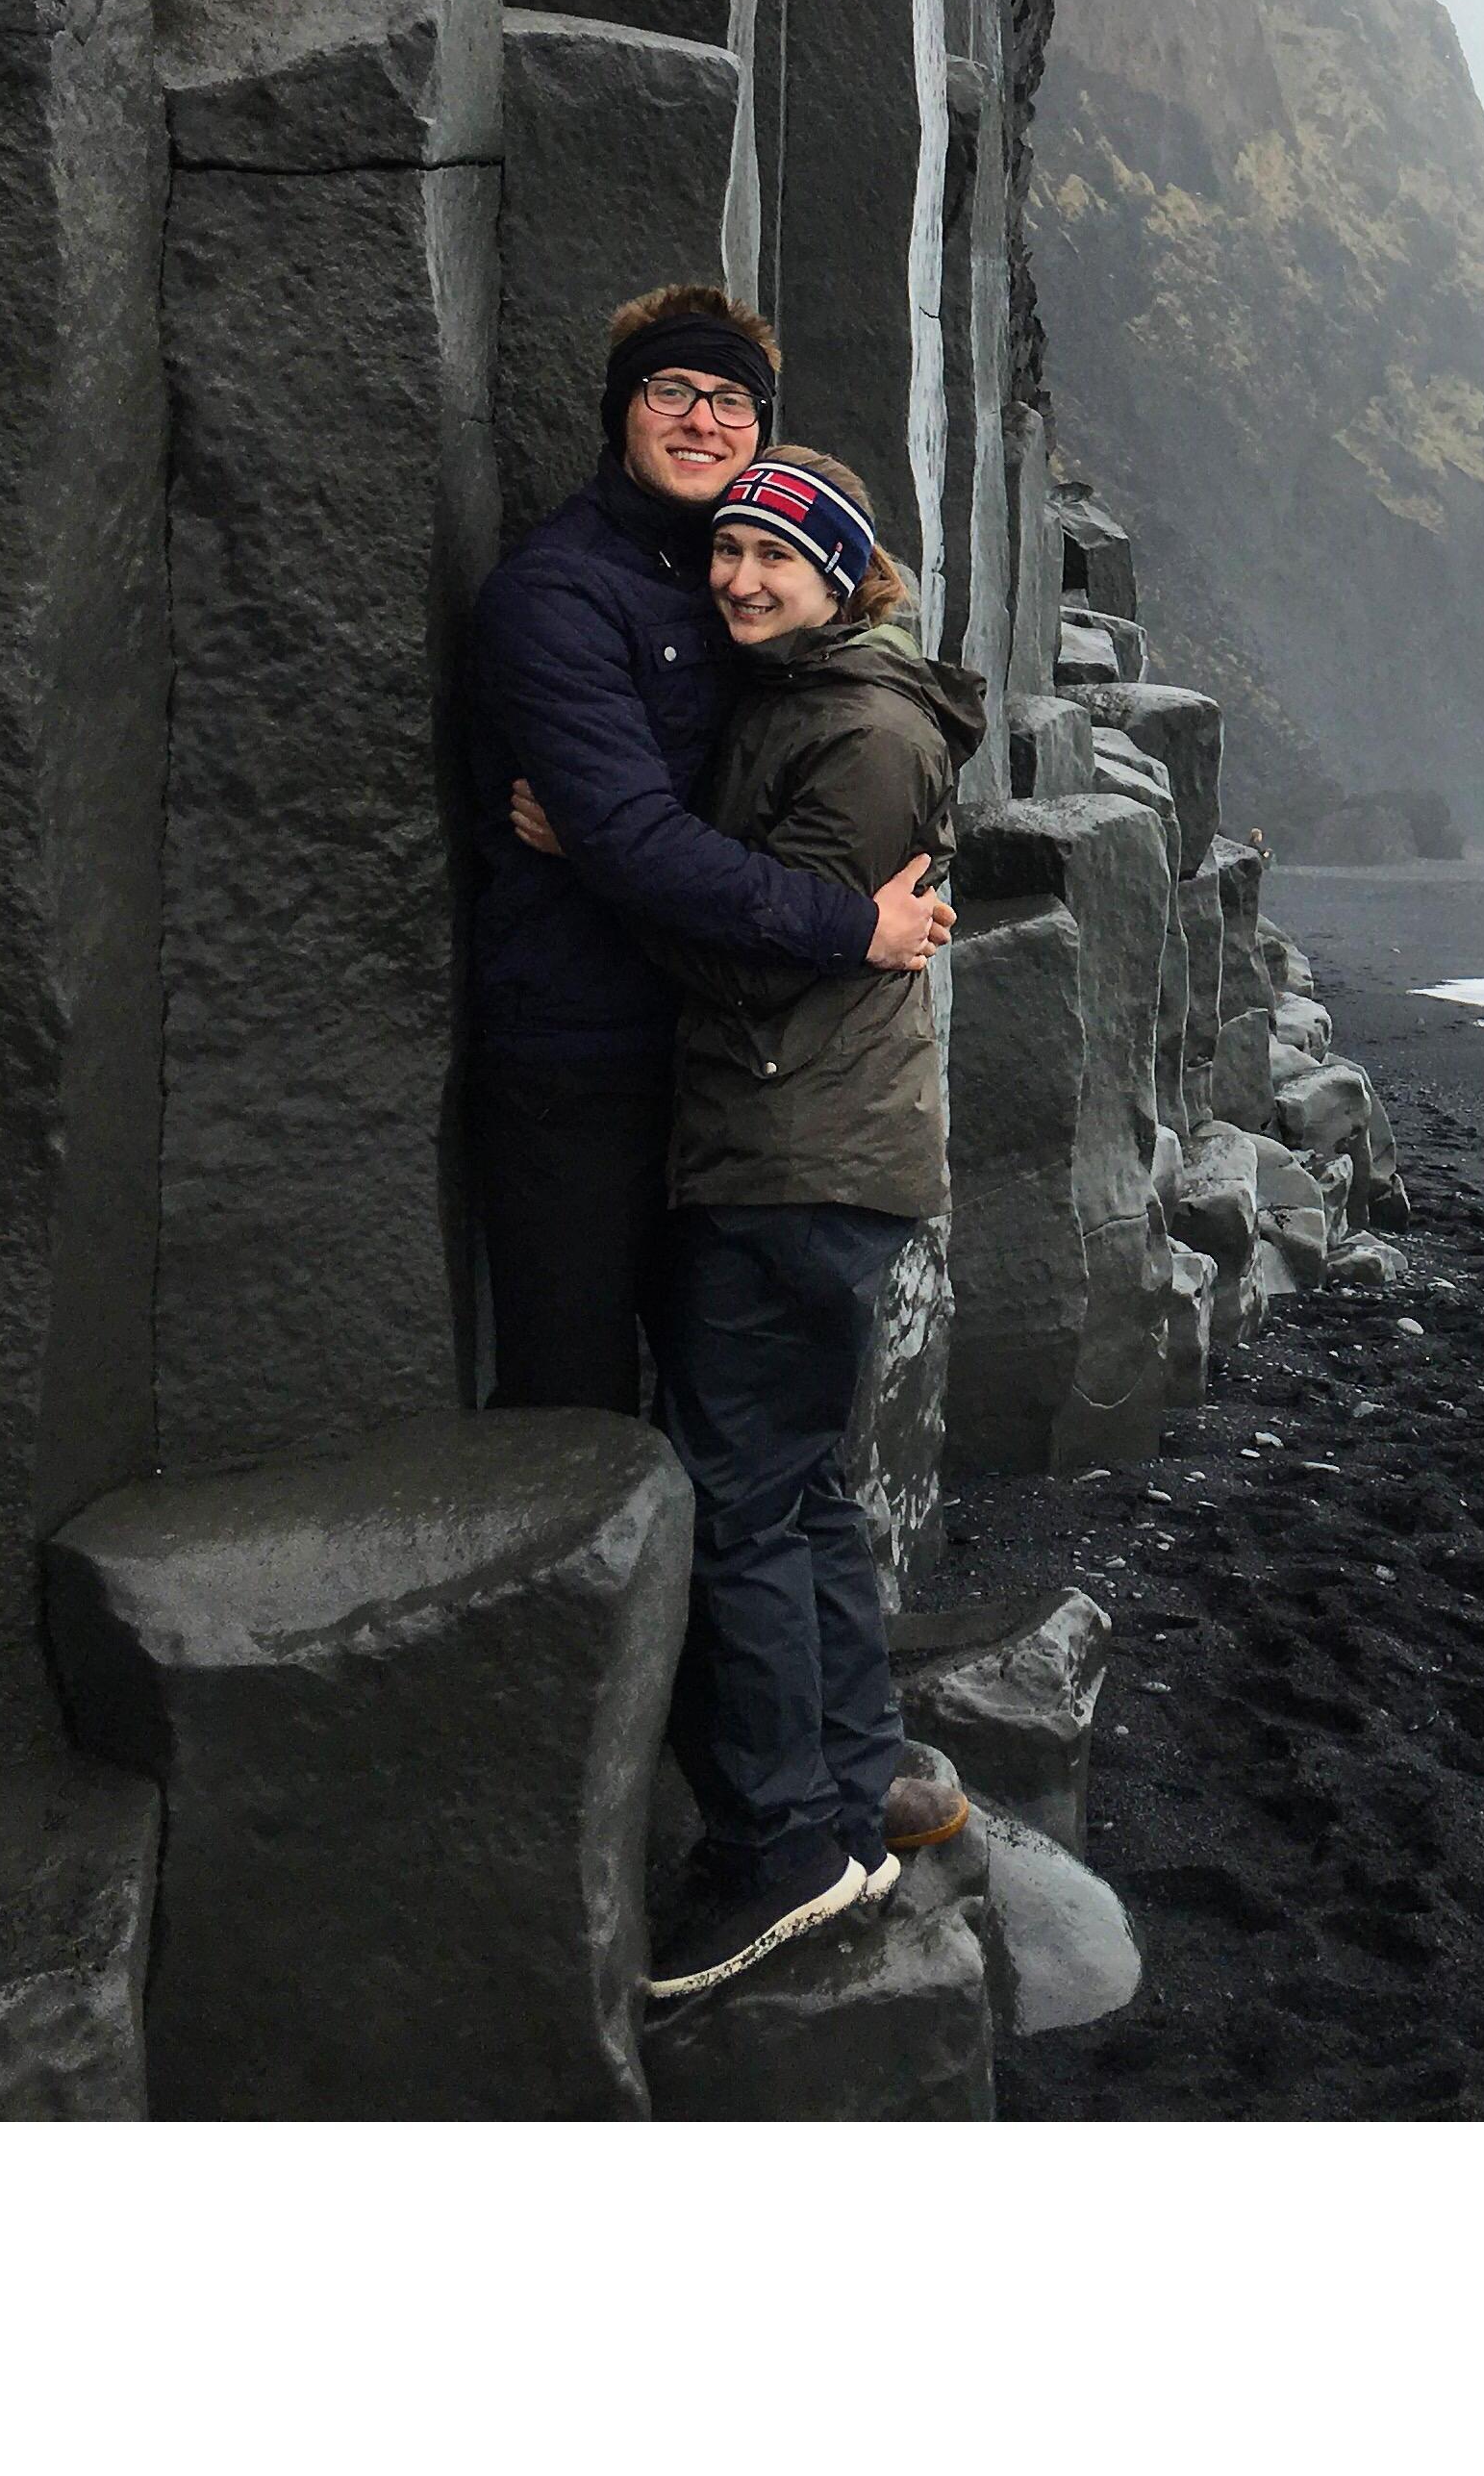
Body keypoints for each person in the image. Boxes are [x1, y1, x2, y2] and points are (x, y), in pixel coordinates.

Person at [627, 447, 989, 2004]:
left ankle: (785, 1848)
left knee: (744, 1503)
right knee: (804, 1485)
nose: (739, 577)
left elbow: (757, 959)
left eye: (776, 556)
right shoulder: (816, 694)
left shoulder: (860, 726)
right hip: (817, 1146)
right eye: (725, 552)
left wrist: (602, 858)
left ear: (845, 574)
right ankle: (862, 1787)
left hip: (792, 1152)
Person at [464, 288, 954, 1423]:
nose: (702, 418)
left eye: (733, 399)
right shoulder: (557, 596)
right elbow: (636, 838)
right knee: (575, 1410)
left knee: (734, 1426)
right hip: (577, 1068)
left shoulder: (745, 584)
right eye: (672, 389)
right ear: (620, 410)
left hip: (733, 1074)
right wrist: (855, 927)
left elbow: (853, 752)